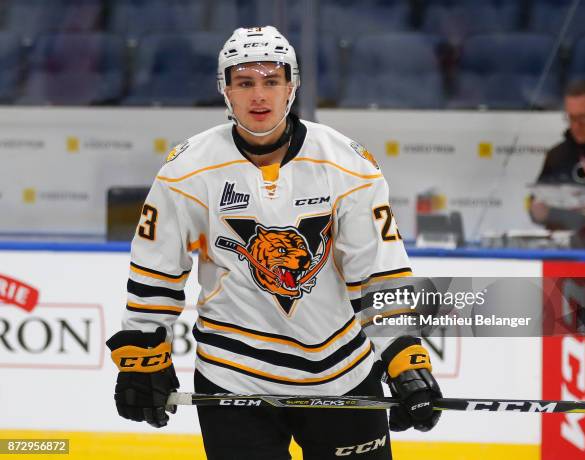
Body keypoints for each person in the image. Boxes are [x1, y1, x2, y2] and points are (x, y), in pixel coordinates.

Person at [105, 26, 441, 459]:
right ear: (225, 90)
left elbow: (377, 271)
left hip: (340, 373)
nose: (258, 96)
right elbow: (156, 269)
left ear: (292, 86)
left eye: (271, 81)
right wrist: (144, 348)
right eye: (244, 82)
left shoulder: (347, 164)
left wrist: (403, 354)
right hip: (235, 377)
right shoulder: (187, 170)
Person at [529, 80, 585, 231]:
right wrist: (538, 213)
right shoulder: (557, 155)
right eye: (571, 118)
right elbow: (538, 198)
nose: (576, 126)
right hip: (568, 247)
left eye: (583, 118)